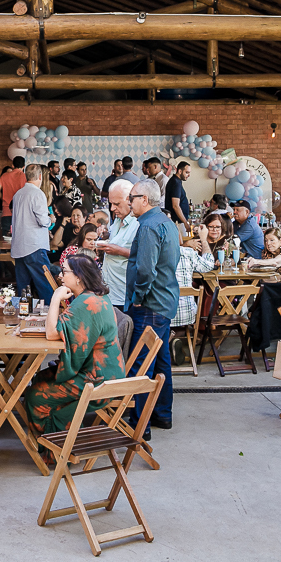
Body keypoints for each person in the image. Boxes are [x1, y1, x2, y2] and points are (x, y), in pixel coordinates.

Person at [26, 255, 126, 439]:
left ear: (79, 276)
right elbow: (63, 328)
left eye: (64, 271)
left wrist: (55, 297)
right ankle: (57, 436)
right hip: (107, 371)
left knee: (35, 395)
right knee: (41, 377)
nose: (60, 276)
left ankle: (53, 444)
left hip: (98, 380)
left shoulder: (86, 303)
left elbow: (51, 334)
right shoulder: (93, 298)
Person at [125, 179, 180, 434]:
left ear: (144, 200)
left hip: (150, 303)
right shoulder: (167, 222)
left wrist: (138, 295)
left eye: (132, 197)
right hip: (165, 300)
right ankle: (162, 414)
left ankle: (140, 423)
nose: (129, 202)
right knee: (161, 362)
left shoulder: (148, 226)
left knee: (141, 364)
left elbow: (146, 269)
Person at [12, 163, 55, 303]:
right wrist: (50, 219)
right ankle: (50, 317)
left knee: (22, 289)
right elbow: (43, 221)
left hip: (19, 247)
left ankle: (21, 317)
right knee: (45, 285)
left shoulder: (18, 194)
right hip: (35, 246)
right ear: (40, 176)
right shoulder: (38, 194)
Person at [99, 179, 139, 314]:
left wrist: (119, 251)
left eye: (116, 204)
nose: (112, 208)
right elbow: (115, 238)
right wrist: (105, 235)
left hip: (124, 293)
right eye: (111, 203)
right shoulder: (118, 219)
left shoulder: (138, 223)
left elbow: (144, 255)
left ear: (130, 200)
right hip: (110, 290)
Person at [173, 223, 215, 328]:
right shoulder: (187, 253)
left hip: (159, 316)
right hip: (186, 314)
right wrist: (203, 240)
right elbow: (209, 264)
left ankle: (169, 336)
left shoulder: (151, 253)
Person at [0, 156, 26, 236]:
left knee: (6, 240)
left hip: (6, 211)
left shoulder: (5, 176)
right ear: (24, 166)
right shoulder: (25, 177)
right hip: (21, 212)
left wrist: (4, 198)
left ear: (12, 165)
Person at [165, 161, 191, 233]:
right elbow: (175, 205)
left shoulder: (176, 181)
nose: (189, 175)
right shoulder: (176, 183)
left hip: (178, 221)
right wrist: (185, 223)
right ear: (180, 171)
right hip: (177, 222)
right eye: (187, 172)